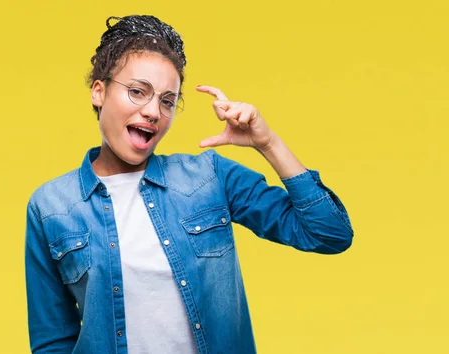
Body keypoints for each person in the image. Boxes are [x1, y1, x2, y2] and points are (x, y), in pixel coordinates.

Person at [24, 14, 353, 354]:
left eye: (167, 101)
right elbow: (53, 341)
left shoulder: (208, 177)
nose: (154, 111)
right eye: (138, 92)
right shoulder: (51, 207)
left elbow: (329, 233)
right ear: (99, 92)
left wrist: (267, 143)